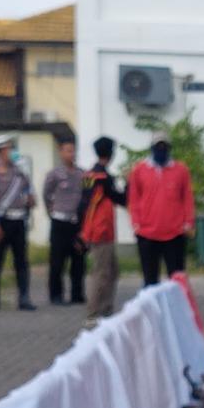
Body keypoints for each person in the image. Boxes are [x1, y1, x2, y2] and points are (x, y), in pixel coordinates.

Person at [128, 131, 195, 286]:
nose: (161, 150)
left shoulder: (180, 170)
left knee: (177, 280)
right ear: (152, 148)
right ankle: (153, 310)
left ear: (169, 148)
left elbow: (187, 198)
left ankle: (176, 309)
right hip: (147, 233)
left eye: (164, 146)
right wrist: (136, 223)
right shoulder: (139, 170)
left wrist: (188, 222)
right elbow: (134, 199)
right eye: (158, 147)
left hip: (175, 233)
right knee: (150, 280)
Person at [0, 134, 36, 312]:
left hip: (18, 220)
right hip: (0, 221)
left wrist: (30, 198)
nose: (13, 152)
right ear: (1, 151)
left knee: (21, 261)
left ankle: (24, 297)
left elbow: (29, 193)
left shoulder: (20, 171)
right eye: (10, 149)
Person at [77, 136, 127, 326]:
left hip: (94, 229)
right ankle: (94, 313)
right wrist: (130, 183)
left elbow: (83, 204)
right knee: (102, 272)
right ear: (111, 153)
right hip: (102, 231)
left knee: (112, 271)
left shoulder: (89, 175)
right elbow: (121, 199)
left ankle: (105, 309)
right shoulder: (103, 178)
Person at [43, 137, 86, 306]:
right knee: (57, 261)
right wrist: (52, 212)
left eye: (73, 150)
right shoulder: (54, 174)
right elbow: (46, 195)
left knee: (78, 260)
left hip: (77, 223)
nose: (71, 154)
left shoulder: (82, 174)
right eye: (68, 150)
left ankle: (77, 294)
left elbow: (87, 196)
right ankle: (56, 295)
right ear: (61, 153)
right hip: (60, 221)